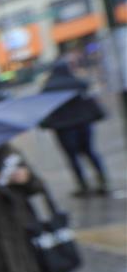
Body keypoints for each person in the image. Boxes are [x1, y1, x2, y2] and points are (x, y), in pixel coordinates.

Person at [40, 59, 107, 197]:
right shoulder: (77, 83)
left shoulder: (49, 87)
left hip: (64, 129)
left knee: (73, 157)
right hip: (83, 125)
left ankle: (83, 185)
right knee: (90, 152)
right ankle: (102, 180)